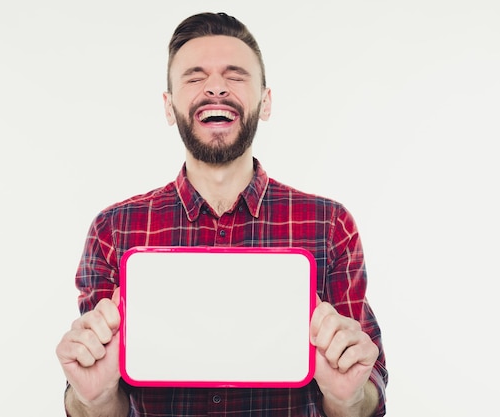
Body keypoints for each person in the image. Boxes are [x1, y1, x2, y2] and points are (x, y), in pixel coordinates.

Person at [56, 11, 387, 417]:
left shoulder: (330, 225)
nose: (215, 87)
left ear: (265, 102)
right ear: (169, 105)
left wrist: (346, 396)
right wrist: (96, 397)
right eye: (194, 77)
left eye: (235, 75)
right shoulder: (113, 229)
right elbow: (95, 401)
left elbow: (368, 395)